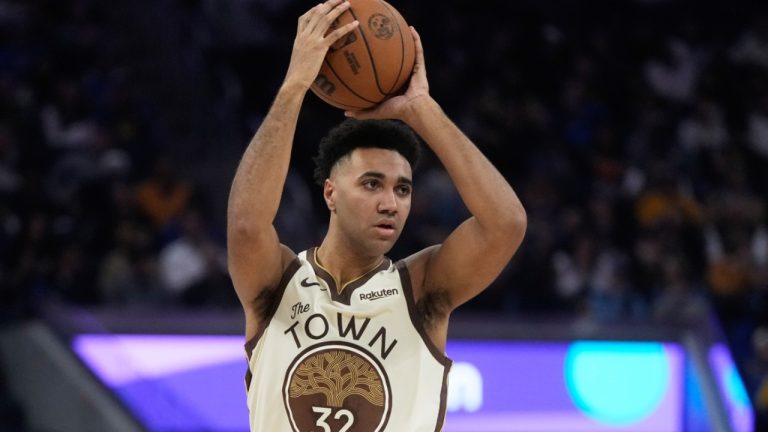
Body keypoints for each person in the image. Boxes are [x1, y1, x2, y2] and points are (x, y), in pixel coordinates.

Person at [226, 1, 527, 430]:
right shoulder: (278, 284)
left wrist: (421, 108)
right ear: (330, 192)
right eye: (372, 184)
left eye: (402, 188)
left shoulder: (422, 291)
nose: (391, 202)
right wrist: (295, 85)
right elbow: (245, 225)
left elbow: (506, 224)